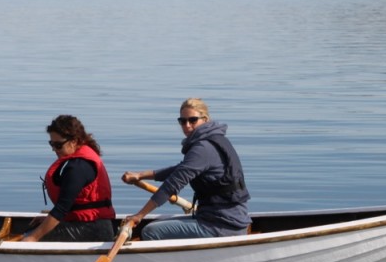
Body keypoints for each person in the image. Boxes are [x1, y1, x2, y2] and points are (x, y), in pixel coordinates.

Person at [121, 98, 250, 240]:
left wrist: (139, 215)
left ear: (205, 119)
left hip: (221, 225)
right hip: (231, 220)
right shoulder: (214, 140)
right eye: (182, 121)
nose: (187, 125)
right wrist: (140, 176)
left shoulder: (202, 149)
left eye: (193, 120)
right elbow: (179, 170)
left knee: (150, 231)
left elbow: (172, 185)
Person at [21, 115, 117, 243]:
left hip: (93, 230)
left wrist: (33, 238)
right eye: (52, 144)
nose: (54, 149)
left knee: (29, 235)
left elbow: (61, 209)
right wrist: (48, 220)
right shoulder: (77, 161)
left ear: (74, 141)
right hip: (90, 225)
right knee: (34, 227)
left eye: (58, 145)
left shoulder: (78, 167)